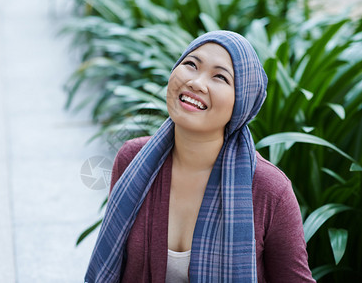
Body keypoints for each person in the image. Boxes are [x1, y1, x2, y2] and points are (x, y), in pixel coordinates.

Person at [85, 31, 316, 282]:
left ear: (241, 104)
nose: (196, 82)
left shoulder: (270, 190)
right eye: (191, 65)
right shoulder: (132, 159)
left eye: (220, 77)